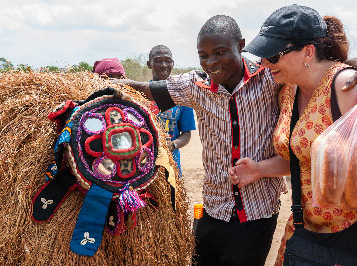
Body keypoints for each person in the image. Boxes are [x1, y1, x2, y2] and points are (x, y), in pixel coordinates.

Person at [113, 15, 288, 266]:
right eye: (203, 55)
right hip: (213, 211)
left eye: (219, 52)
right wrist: (107, 84)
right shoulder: (195, 85)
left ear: (241, 45)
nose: (211, 62)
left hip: (256, 215)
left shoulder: (269, 77)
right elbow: (147, 88)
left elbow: (318, 69)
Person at [232, 4, 357, 265]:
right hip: (303, 232)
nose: (264, 63)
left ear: (307, 51)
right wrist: (259, 169)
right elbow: (303, 159)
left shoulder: (347, 87)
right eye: (262, 55)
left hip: (354, 238)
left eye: (273, 55)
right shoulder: (288, 92)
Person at [147, 45, 196, 177]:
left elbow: (186, 134)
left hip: (171, 166)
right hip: (143, 165)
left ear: (172, 64)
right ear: (149, 64)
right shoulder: (139, 95)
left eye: (167, 60)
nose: (163, 65)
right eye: (157, 60)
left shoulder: (182, 97)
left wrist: (172, 145)